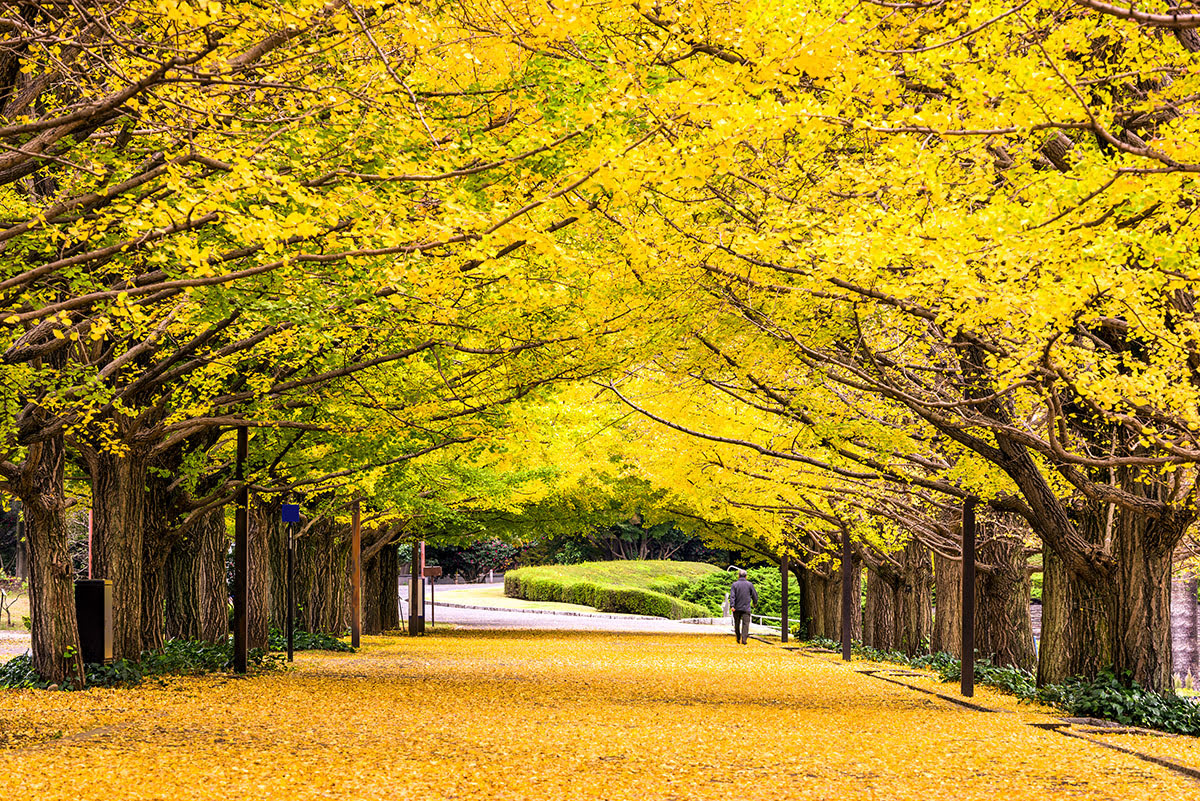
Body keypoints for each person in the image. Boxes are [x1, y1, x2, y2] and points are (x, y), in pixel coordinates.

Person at [728, 569, 758, 645]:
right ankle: (744, 639)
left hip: (736, 608)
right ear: (746, 576)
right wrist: (755, 602)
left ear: (738, 576)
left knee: (737, 623)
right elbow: (754, 595)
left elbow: (732, 596)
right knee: (746, 624)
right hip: (746, 608)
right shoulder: (750, 584)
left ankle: (738, 637)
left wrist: (732, 605)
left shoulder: (734, 585)